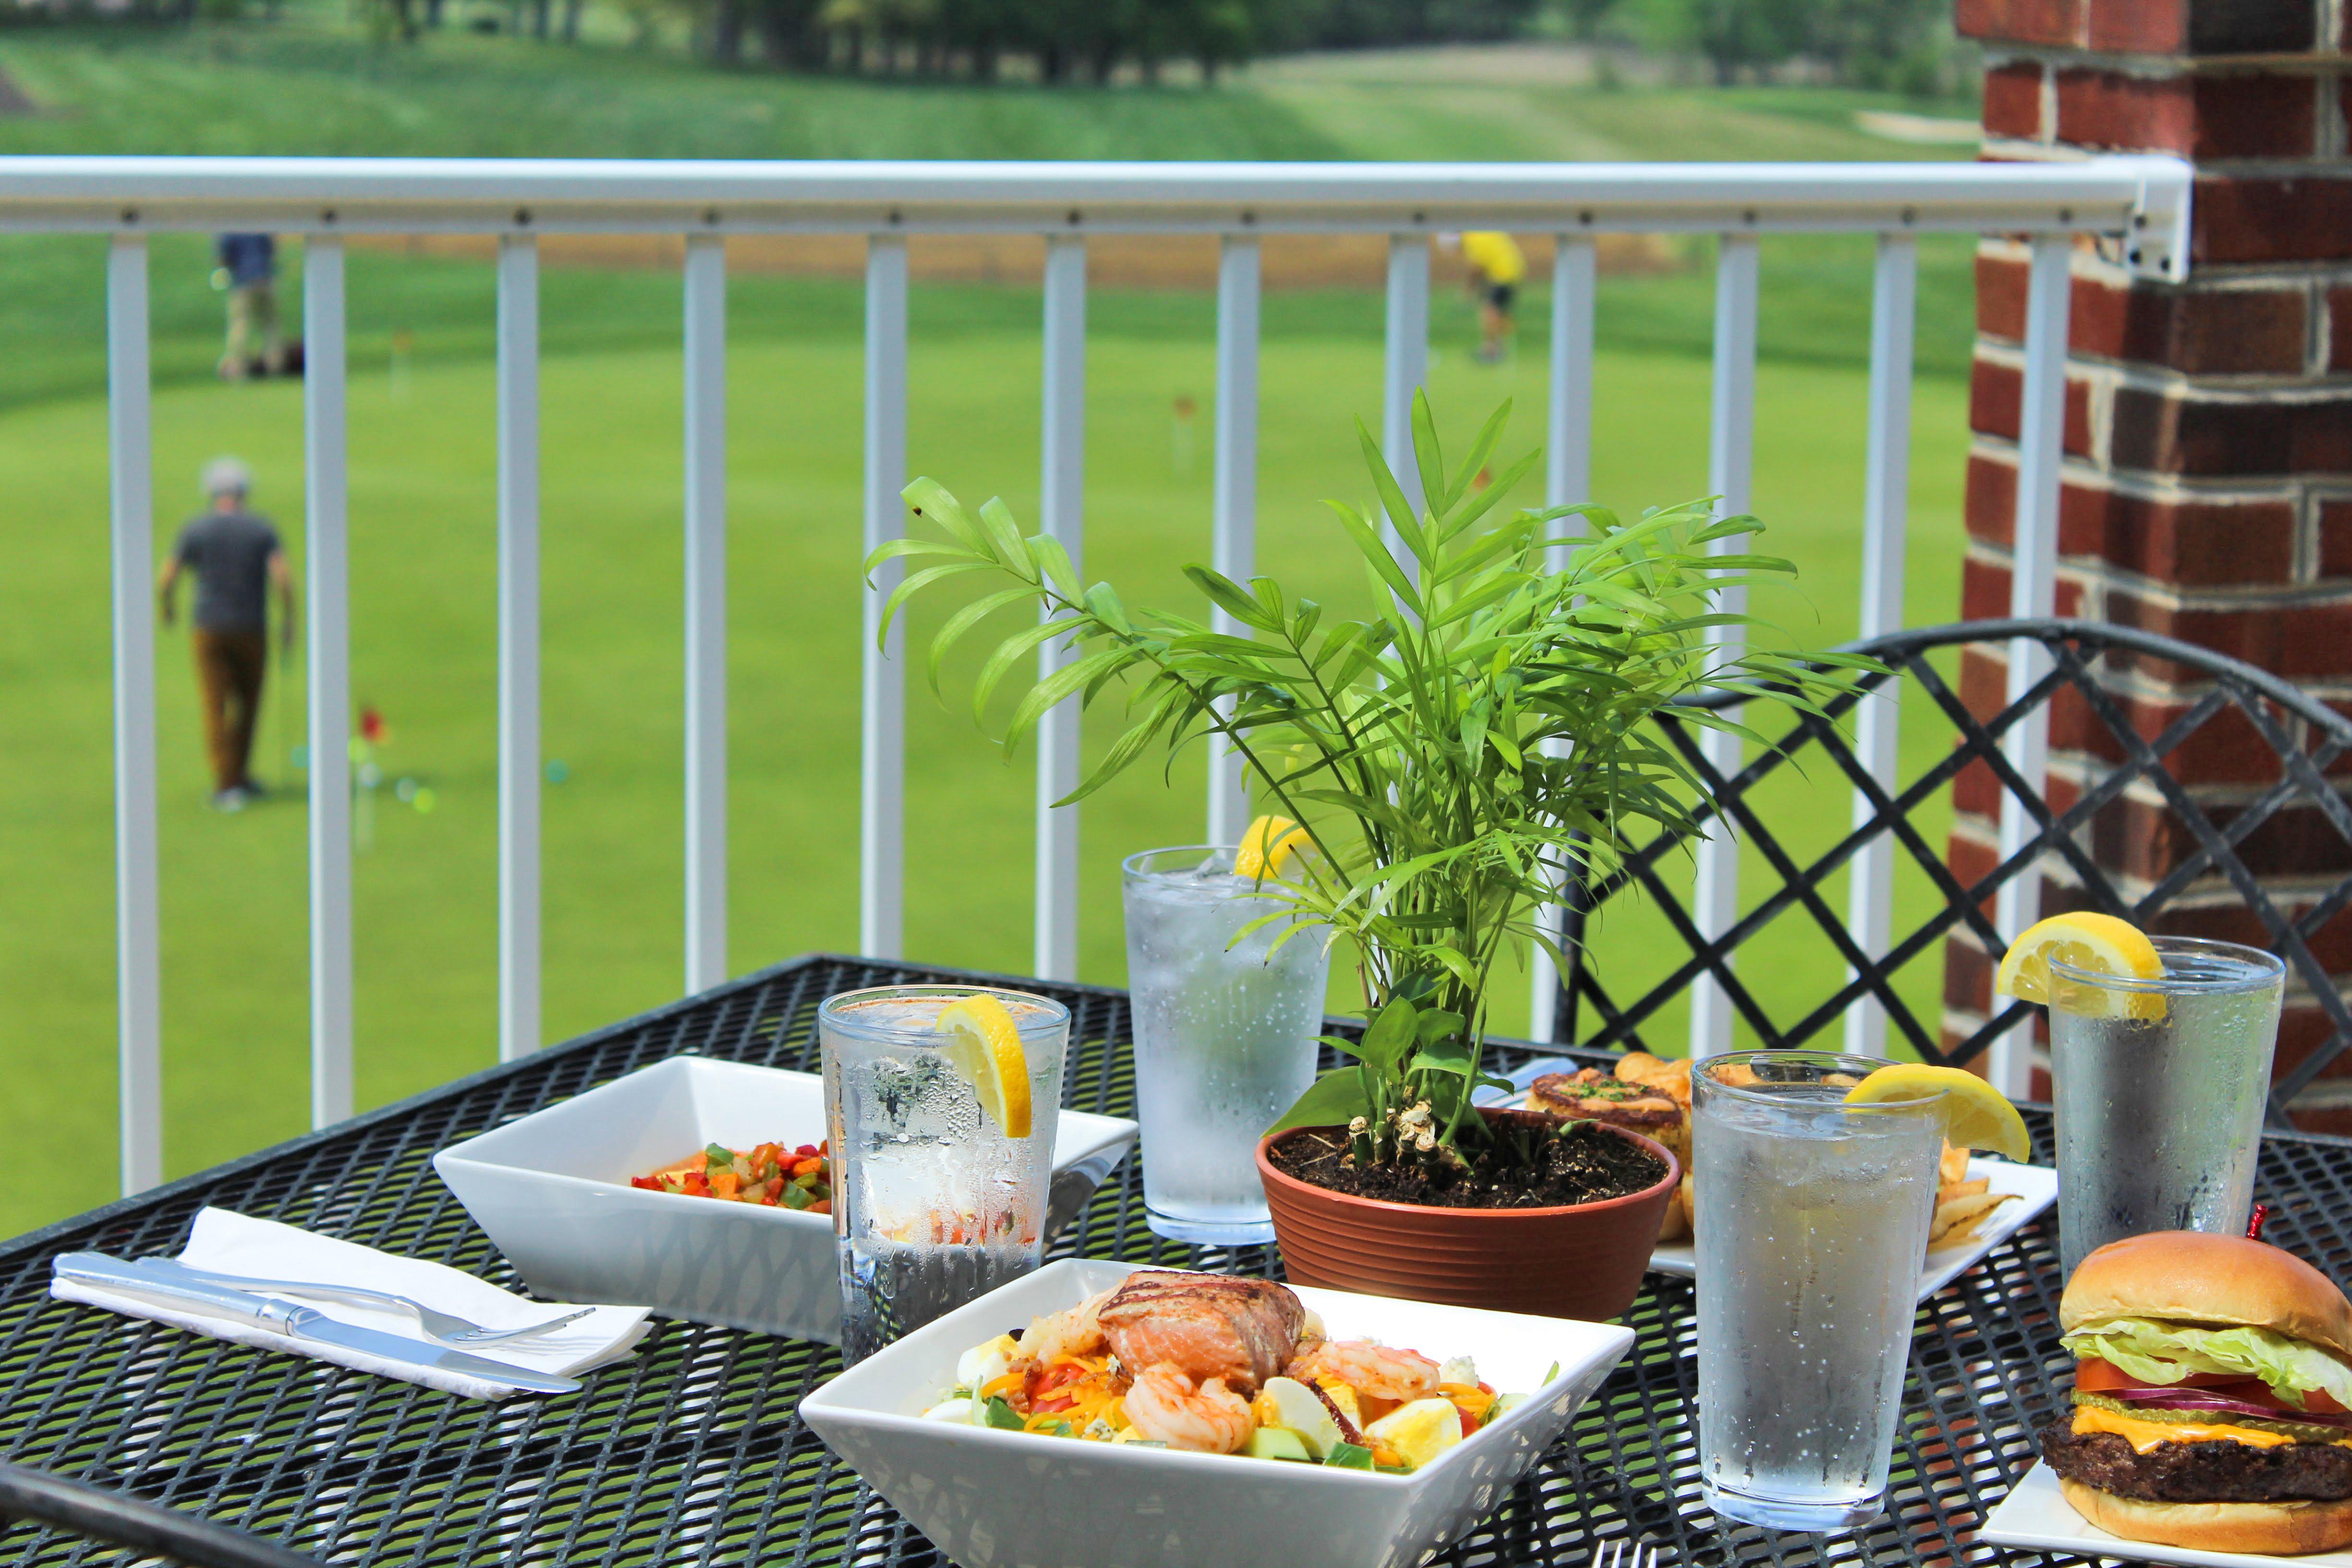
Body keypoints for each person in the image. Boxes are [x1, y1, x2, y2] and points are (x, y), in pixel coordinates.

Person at [158, 459, 296, 812]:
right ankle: (238, 776)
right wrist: (290, 620)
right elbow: (282, 578)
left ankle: (227, 782)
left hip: (209, 628)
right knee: (249, 704)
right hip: (251, 626)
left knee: (215, 705)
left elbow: (168, 576)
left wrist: (168, 607)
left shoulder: (197, 529)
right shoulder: (261, 529)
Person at [215, 234, 285, 380]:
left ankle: (237, 368)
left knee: (240, 324)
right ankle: (275, 365)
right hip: (265, 278)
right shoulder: (259, 223)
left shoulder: (231, 228)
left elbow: (224, 256)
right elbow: (271, 249)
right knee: (269, 324)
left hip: (242, 281)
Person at [1455, 231, 1526, 364]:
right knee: (1495, 313)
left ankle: (1492, 351)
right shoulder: (1478, 235)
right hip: (1511, 272)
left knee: (1489, 313)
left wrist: (1468, 290)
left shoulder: (1472, 241)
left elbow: (1477, 268)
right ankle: (1495, 348)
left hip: (1504, 274)